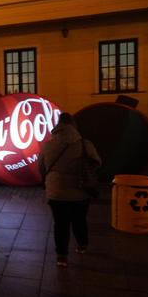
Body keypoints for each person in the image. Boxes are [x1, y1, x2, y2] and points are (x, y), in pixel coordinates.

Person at [38, 112, 101, 268]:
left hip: (56, 191)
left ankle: (62, 257)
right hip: (80, 190)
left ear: (58, 126)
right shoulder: (85, 144)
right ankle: (82, 246)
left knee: (60, 224)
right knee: (79, 220)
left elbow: (41, 167)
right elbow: (97, 162)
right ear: (74, 125)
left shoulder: (48, 144)